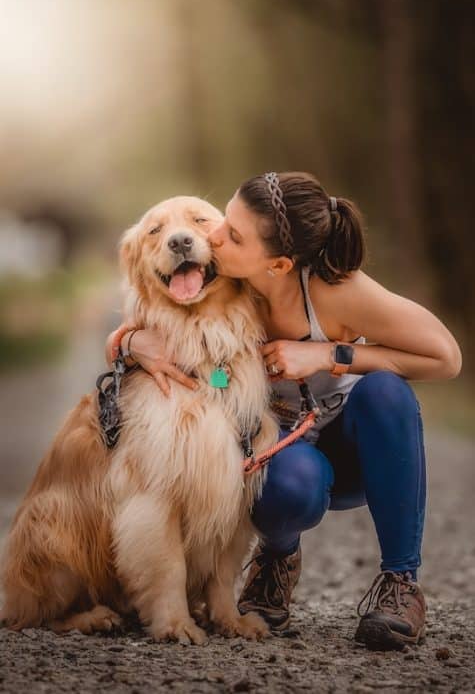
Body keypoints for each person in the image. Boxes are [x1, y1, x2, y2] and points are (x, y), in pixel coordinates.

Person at [105, 171, 462, 650]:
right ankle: (276, 559)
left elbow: (446, 357)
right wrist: (130, 342)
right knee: (287, 484)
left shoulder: (334, 289)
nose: (210, 236)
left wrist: (331, 355)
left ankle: (400, 583)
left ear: (276, 265)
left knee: (386, 392)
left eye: (231, 235)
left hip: (353, 449)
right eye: (223, 220)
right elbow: (148, 326)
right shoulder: (220, 286)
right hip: (283, 460)